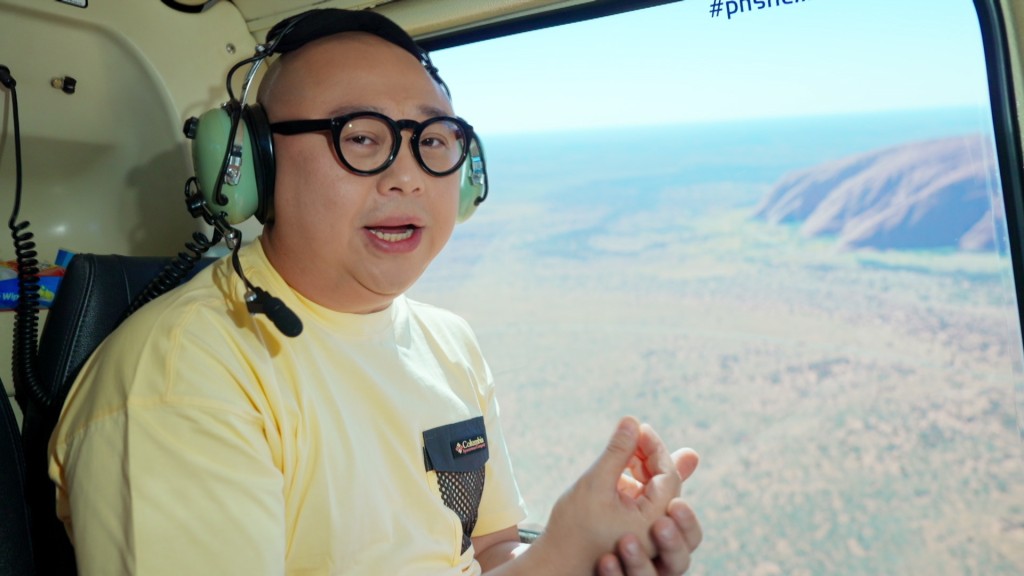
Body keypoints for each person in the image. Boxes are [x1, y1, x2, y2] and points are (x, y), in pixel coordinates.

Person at [48, 8, 702, 575]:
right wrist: (559, 555)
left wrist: (591, 556)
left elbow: (492, 550)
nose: (408, 175)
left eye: (435, 140)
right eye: (360, 137)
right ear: (252, 167)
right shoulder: (182, 379)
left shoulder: (448, 342)